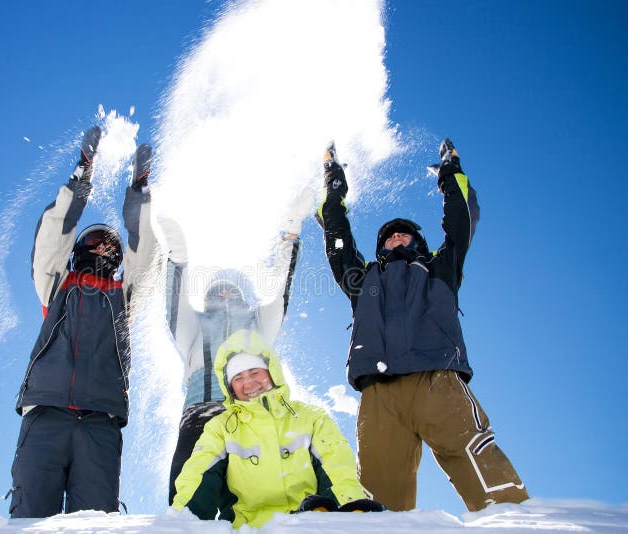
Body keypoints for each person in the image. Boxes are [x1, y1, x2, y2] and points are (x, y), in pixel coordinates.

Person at [316, 138, 529, 512]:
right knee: (378, 497)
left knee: (480, 467)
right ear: (381, 247)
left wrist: (451, 174)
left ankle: (514, 520)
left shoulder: (439, 268)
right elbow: (337, 241)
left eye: (405, 233)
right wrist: (334, 186)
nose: (396, 236)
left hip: (437, 379)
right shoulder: (362, 280)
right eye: (389, 235)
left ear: (419, 241)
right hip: (379, 393)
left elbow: (462, 222)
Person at [129, 145, 307, 505]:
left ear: (242, 299)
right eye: (218, 293)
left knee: (254, 508)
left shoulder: (259, 327)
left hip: (254, 419)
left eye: (231, 292)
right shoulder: (193, 331)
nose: (225, 297)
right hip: (200, 417)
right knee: (189, 506)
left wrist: (289, 235)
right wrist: (177, 260)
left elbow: (277, 292)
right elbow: (174, 305)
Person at [7, 127, 155, 517]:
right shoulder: (58, 285)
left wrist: (139, 193)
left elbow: (147, 253)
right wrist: (82, 175)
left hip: (100, 422)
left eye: (111, 245)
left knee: (94, 520)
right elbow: (51, 237)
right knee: (30, 514)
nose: (103, 247)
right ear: (79, 252)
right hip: (46, 414)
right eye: (95, 242)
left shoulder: (124, 298)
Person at [172, 329, 384, 528]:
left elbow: (335, 465)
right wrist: (186, 521)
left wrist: (349, 503)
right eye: (238, 378)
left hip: (309, 523)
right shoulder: (221, 427)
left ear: (272, 372)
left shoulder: (310, 417)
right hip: (248, 528)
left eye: (255, 372)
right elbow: (199, 473)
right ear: (230, 387)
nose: (249, 383)